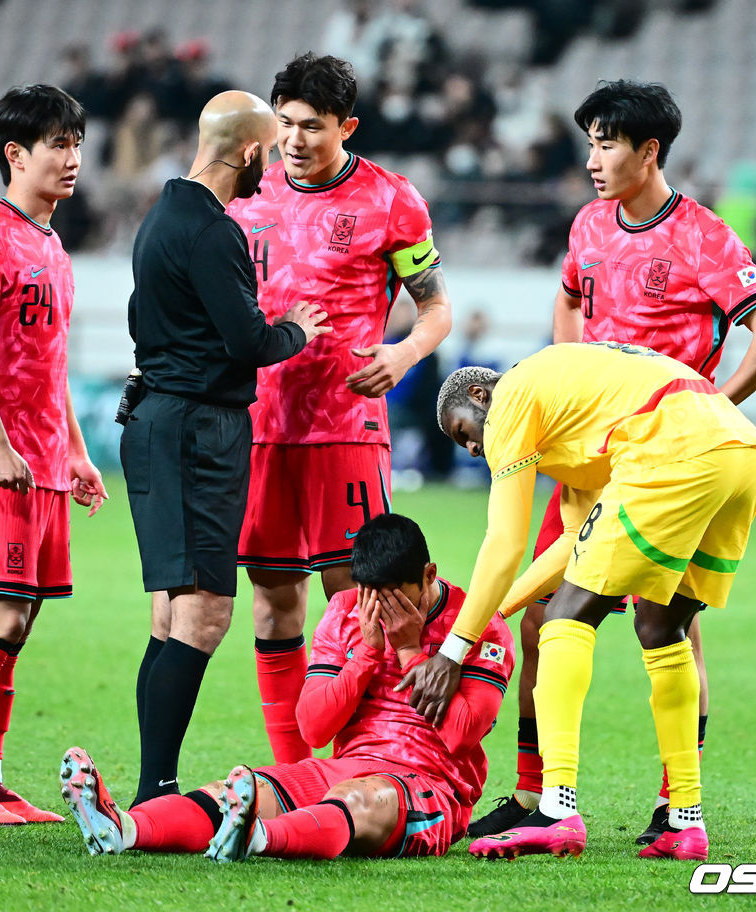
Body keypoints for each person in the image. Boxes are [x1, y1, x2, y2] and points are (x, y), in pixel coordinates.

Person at [465, 78, 756, 846]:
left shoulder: (703, 235)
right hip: (591, 457)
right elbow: (570, 302)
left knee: (665, 624)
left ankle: (669, 804)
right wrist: (570, 372)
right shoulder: (588, 224)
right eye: (589, 142)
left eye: (607, 143)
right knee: (542, 617)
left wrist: (710, 407)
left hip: (667, 459)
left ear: (649, 152)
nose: (592, 159)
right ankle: (533, 791)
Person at [403, 341, 756, 861]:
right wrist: (491, 616)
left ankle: (557, 810)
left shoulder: (511, 401)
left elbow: (505, 543)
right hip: (738, 452)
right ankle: (685, 822)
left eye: (463, 432)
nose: (469, 450)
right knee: (662, 629)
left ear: (480, 396)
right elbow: (572, 543)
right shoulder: (575, 427)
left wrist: (452, 650)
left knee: (564, 619)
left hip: (671, 448)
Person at [225, 52, 452, 768]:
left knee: (363, 601)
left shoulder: (391, 199)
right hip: (260, 427)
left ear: (346, 125)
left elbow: (436, 309)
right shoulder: (244, 191)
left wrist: (405, 354)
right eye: (285, 124)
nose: (293, 140)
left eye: (312, 127)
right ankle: (295, 773)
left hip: (346, 429)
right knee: (271, 602)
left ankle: (371, 761)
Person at [59, 514, 515, 861]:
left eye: (396, 596)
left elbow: (460, 736)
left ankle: (257, 837)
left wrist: (412, 650)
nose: (380, 610)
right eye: (369, 596)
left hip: (431, 786)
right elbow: (314, 729)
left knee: (356, 799)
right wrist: (367, 656)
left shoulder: (479, 627)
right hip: (343, 766)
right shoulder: (345, 610)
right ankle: (124, 829)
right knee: (242, 790)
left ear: (430, 575)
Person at [121, 90, 331, 809]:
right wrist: (297, 328)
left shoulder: (158, 220)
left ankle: (154, 789)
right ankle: (157, 789)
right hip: (197, 433)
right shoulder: (214, 232)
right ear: (248, 152)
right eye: (268, 152)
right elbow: (250, 342)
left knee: (171, 614)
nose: (269, 165)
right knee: (206, 613)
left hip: (156, 423)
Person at [0, 84, 109, 826]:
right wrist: (0, 446)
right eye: (58, 145)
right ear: (16, 154)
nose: (73, 159)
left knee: (22, 623)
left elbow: (51, 365)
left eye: (77, 143)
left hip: (42, 466)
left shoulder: (52, 246)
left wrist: (76, 452)